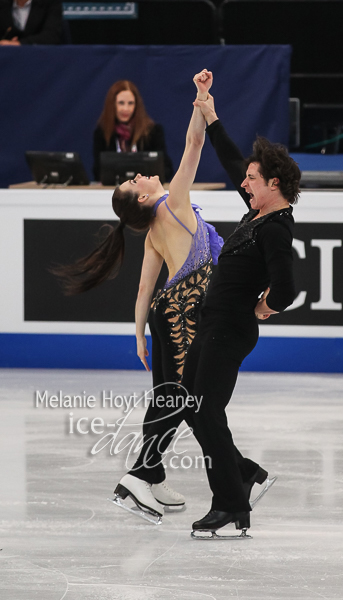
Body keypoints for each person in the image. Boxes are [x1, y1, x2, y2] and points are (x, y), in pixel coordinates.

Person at [126, 87, 301, 537]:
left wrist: (264, 306)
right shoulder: (258, 213)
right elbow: (229, 161)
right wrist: (212, 114)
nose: (244, 183)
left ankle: (230, 503)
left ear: (274, 184)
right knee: (196, 408)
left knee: (204, 411)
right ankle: (241, 481)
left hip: (230, 330)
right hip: (211, 325)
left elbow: (288, 286)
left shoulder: (277, 228)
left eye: (253, 179)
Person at [53, 70, 223, 520]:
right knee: (183, 398)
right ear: (145, 199)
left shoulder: (150, 230)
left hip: (163, 317)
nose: (141, 174)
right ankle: (139, 477)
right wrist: (200, 99)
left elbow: (146, 289)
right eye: (136, 182)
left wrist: (138, 336)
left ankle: (153, 477)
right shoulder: (173, 202)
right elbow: (193, 146)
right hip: (183, 314)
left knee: (169, 397)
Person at [93, 80, 174, 182]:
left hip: (145, 191)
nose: (126, 108)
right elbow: (98, 172)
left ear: (136, 105)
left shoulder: (153, 132)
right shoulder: (102, 133)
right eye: (121, 103)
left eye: (130, 103)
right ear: (112, 104)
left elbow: (166, 169)